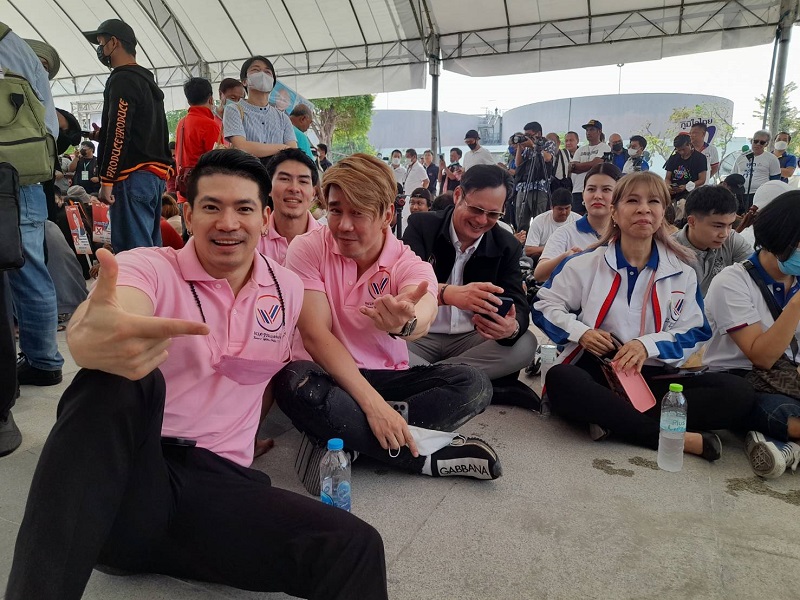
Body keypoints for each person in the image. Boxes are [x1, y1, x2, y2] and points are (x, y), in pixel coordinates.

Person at [5, 149, 388, 600]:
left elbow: (284, 359)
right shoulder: (152, 267)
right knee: (121, 375)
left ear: (264, 218)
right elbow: (110, 314)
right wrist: (90, 334)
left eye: (243, 208)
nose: (228, 223)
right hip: (132, 485)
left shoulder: (285, 287)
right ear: (188, 214)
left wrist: (256, 429)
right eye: (211, 207)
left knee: (356, 546)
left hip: (219, 489)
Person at [275, 153, 500, 487]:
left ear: (387, 215)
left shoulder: (405, 261)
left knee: (474, 384)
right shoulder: (308, 248)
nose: (344, 225)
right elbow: (315, 335)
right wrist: (375, 408)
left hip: (385, 377)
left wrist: (405, 324)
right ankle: (425, 455)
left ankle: (345, 439)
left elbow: (423, 305)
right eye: (335, 210)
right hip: (326, 375)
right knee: (292, 380)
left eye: (358, 213)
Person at [533, 171, 753, 457]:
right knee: (562, 378)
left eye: (654, 202)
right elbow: (544, 306)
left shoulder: (681, 272)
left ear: (663, 213)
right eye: (632, 201)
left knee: (738, 393)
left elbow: (695, 331)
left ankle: (613, 419)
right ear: (614, 211)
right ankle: (665, 437)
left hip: (653, 378)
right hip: (597, 373)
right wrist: (581, 332)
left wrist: (646, 345)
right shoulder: (585, 264)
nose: (644, 209)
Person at [402, 165, 538, 404]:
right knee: (374, 342)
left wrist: (511, 327)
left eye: (493, 214)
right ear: (457, 196)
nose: (481, 220)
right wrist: (451, 294)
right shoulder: (421, 226)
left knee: (525, 343)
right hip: (418, 334)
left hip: (472, 339)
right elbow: (404, 283)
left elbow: (518, 302)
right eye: (476, 209)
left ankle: (424, 379)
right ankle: (467, 382)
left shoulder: (507, 245)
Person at [703, 192, 800, 478]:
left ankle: (779, 443)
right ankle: (779, 437)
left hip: (788, 377)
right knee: (777, 411)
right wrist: (796, 304)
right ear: (781, 237)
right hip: (742, 378)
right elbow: (761, 357)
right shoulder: (732, 281)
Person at [1, 23, 64, 386]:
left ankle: (38, 361)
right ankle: (44, 360)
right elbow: (49, 128)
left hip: (11, 177)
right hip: (26, 176)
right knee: (30, 270)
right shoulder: (19, 50)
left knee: (26, 273)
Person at [82, 19, 172, 252]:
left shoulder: (122, 78)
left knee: (134, 256)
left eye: (101, 42)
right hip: (153, 178)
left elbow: (119, 132)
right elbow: (141, 129)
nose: (100, 49)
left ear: (114, 42)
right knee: (151, 252)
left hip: (131, 177)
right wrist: (103, 135)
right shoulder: (145, 79)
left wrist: (107, 180)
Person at [534, 163, 621, 282]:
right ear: (583, 195)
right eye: (591, 189)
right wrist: (565, 258)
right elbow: (539, 274)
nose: (597, 196)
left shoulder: (626, 234)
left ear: (619, 196)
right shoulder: (566, 233)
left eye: (606, 189)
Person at [672, 185, 752, 296]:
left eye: (730, 225)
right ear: (692, 222)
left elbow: (755, 272)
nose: (725, 234)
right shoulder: (669, 252)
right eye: (718, 226)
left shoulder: (731, 239)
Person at [223, 55, 297, 163]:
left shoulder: (283, 118)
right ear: (244, 81)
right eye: (256, 70)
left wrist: (286, 149)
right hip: (246, 172)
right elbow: (242, 147)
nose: (262, 74)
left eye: (267, 72)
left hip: (275, 173)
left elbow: (293, 152)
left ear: (272, 82)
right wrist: (283, 148)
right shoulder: (233, 110)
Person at [258, 148, 322, 266]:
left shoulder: (329, 242)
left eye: (303, 181)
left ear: (314, 193)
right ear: (268, 188)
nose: (294, 188)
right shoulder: (252, 239)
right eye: (285, 179)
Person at [175, 77, 222, 204]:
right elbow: (219, 161)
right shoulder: (210, 125)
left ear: (188, 100)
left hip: (184, 191)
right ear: (211, 99)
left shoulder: (182, 123)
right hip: (204, 194)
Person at [512, 121, 556, 231]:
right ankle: (522, 240)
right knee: (521, 222)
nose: (527, 137)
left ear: (539, 133)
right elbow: (518, 164)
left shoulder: (548, 143)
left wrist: (533, 145)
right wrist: (520, 146)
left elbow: (547, 158)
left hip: (539, 188)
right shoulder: (527, 147)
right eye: (525, 135)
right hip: (523, 187)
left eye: (529, 135)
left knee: (540, 222)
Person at [569, 120, 611, 215]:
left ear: (599, 131)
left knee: (594, 216)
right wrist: (590, 165)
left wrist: (579, 166)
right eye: (587, 130)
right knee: (577, 218)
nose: (588, 132)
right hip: (578, 190)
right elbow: (572, 168)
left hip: (595, 189)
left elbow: (596, 165)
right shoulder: (580, 149)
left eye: (591, 129)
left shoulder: (604, 147)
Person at [524, 188, 579, 261]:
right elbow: (528, 250)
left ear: (571, 207)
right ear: (552, 207)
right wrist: (552, 249)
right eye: (560, 209)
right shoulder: (539, 221)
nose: (564, 212)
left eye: (567, 208)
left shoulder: (578, 220)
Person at [732, 130, 781, 211]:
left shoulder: (772, 159)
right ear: (752, 141)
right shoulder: (741, 157)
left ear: (766, 144)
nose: (758, 144)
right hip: (740, 194)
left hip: (760, 195)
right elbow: (733, 175)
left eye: (762, 142)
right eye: (755, 141)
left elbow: (775, 180)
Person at [664, 133, 707, 210]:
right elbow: (667, 178)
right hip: (674, 190)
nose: (681, 152)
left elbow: (702, 180)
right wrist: (669, 186)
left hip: (690, 191)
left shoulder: (700, 158)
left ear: (690, 145)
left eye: (683, 149)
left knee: (682, 204)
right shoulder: (673, 158)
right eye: (678, 150)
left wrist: (686, 186)